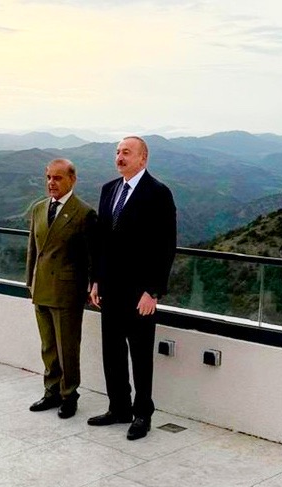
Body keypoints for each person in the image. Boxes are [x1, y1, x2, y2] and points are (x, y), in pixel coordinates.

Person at [88, 136, 176, 440]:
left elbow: (165, 245)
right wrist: (96, 280)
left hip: (140, 293)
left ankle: (142, 415)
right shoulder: (109, 189)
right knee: (111, 352)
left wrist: (153, 291)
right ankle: (119, 408)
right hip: (110, 289)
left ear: (143, 158)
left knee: (140, 355)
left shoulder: (158, 193)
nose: (119, 157)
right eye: (117, 152)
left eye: (126, 152)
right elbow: (101, 241)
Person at [26, 158, 97, 419]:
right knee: (48, 346)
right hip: (42, 287)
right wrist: (30, 281)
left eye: (57, 178)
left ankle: (69, 395)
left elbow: (92, 257)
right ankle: (51, 391)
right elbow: (33, 250)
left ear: (72, 180)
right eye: (48, 177)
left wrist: (92, 286)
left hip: (67, 291)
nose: (51, 183)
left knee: (67, 347)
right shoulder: (38, 209)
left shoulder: (84, 213)